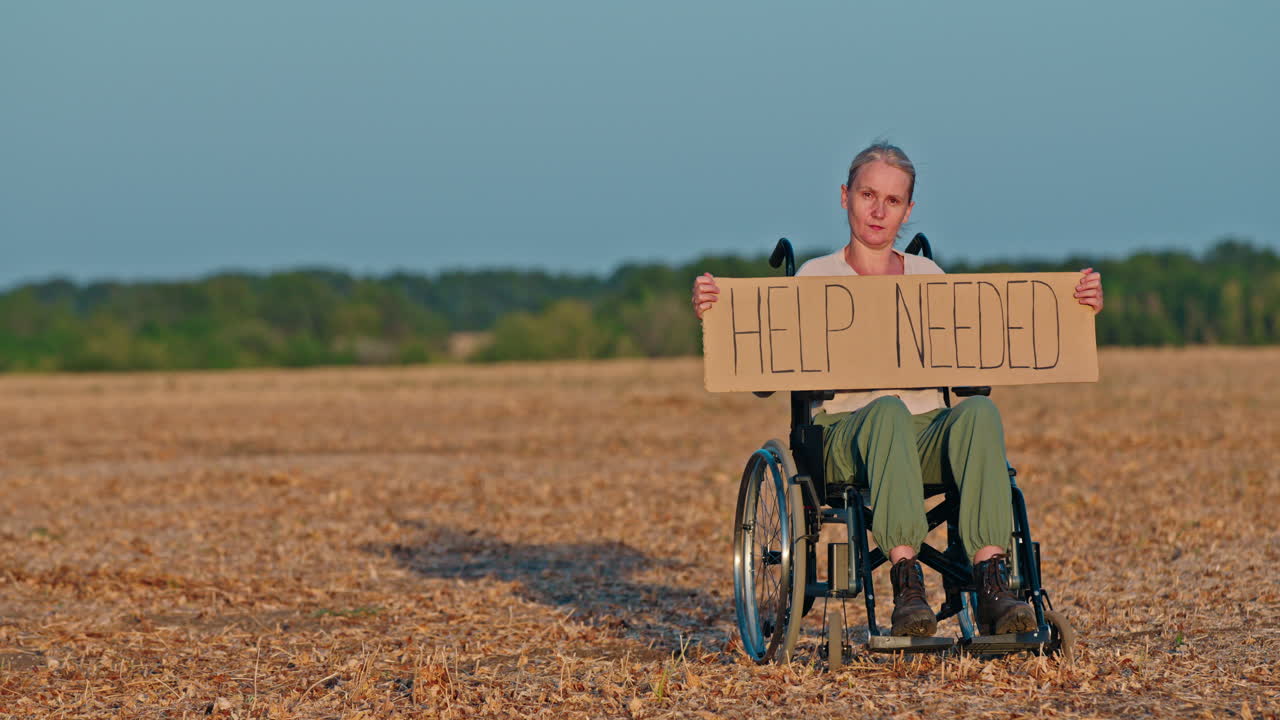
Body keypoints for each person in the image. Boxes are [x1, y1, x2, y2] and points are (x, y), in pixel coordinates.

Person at [691, 142, 1104, 637]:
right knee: (886, 410)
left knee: (978, 415)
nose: (878, 210)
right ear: (845, 196)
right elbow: (765, 371)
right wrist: (719, 314)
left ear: (908, 210)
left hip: (926, 432)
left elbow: (973, 370)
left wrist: (1073, 311)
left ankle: (993, 582)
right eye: (868, 194)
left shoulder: (928, 277)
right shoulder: (815, 277)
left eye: (892, 200)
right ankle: (908, 583)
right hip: (846, 436)